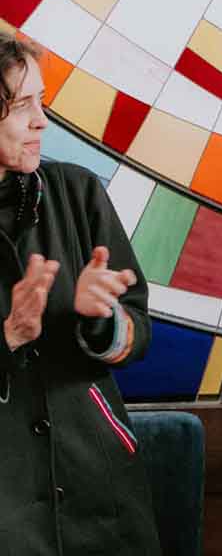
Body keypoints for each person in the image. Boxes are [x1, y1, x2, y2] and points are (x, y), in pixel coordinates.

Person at [0, 33, 160, 554]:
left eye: (40, 101)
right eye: (22, 105)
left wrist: (102, 317)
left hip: (99, 487)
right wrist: (7, 337)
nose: (41, 121)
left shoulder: (79, 191)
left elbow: (136, 334)